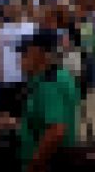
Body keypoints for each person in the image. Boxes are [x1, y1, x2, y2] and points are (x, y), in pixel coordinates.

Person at [18, 30, 81, 172]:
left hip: (50, 162)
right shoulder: (61, 76)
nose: (20, 60)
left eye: (24, 54)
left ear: (39, 55)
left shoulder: (49, 84)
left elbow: (56, 130)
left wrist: (35, 162)